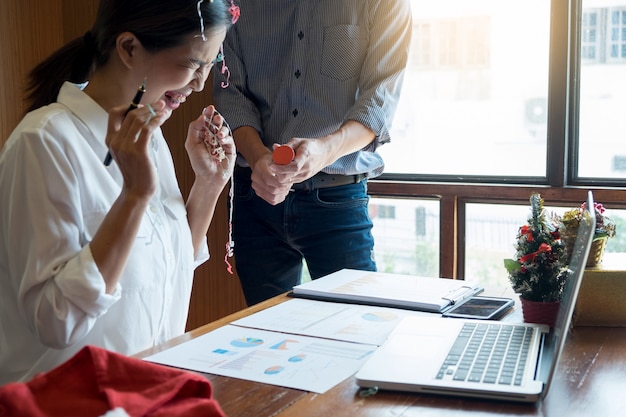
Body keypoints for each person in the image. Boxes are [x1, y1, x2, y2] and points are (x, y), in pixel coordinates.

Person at [0, 0, 239, 384]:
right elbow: (56, 321)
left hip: (144, 395)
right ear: (128, 48)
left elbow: (167, 270)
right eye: (194, 65)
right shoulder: (44, 142)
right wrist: (134, 196)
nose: (198, 85)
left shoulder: (148, 135)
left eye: (209, 68)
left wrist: (209, 186)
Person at [212, 0, 412, 306]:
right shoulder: (237, 4)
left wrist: (325, 149)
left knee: (356, 327)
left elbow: (379, 101)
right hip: (256, 197)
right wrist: (258, 158)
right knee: (265, 336)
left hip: (337, 199)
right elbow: (230, 92)